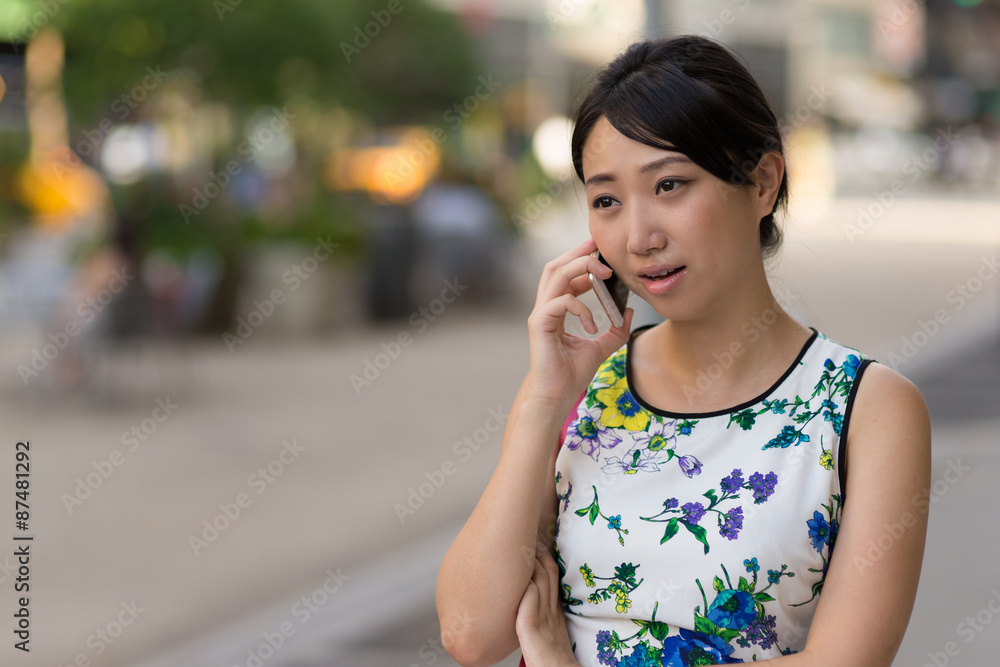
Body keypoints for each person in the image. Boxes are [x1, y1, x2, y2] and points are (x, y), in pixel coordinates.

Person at [436, 35, 930, 667]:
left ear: (761, 183)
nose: (639, 236)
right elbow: (471, 634)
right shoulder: (579, 393)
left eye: (669, 185)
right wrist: (544, 398)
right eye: (607, 200)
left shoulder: (867, 409)